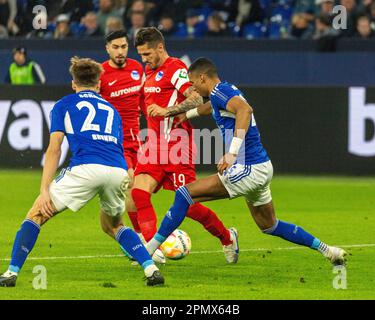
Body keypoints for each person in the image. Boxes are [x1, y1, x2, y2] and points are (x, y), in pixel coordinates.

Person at [144, 57, 347, 270]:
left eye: (194, 83)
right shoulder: (223, 91)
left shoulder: (219, 92)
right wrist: (185, 114)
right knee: (269, 226)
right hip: (263, 167)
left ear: (203, 78)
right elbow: (209, 108)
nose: (193, 88)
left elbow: (245, 110)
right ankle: (329, 250)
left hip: (248, 167)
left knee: (184, 194)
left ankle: (149, 251)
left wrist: (231, 154)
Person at [0, 56, 164, 287]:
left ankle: (10, 273)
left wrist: (44, 189)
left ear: (73, 84)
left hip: (86, 168)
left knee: (36, 214)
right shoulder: (112, 109)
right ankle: (151, 269)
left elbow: (54, 149)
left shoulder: (64, 104)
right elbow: (116, 146)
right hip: (117, 171)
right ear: (99, 85)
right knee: (114, 225)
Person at [132, 27, 239, 264]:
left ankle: (227, 237)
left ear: (160, 47)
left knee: (189, 206)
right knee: (139, 194)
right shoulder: (147, 72)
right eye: (141, 55)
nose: (144, 59)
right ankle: (153, 250)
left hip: (177, 146)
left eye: (147, 54)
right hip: (154, 144)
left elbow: (197, 97)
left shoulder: (175, 68)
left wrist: (167, 111)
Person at [99, 30, 167, 262]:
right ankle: (142, 242)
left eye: (123, 47)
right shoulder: (101, 74)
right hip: (114, 142)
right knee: (131, 186)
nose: (120, 51)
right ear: (107, 48)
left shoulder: (139, 68)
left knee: (143, 191)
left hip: (138, 138)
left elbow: (142, 99)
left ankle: (141, 241)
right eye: (115, 47)